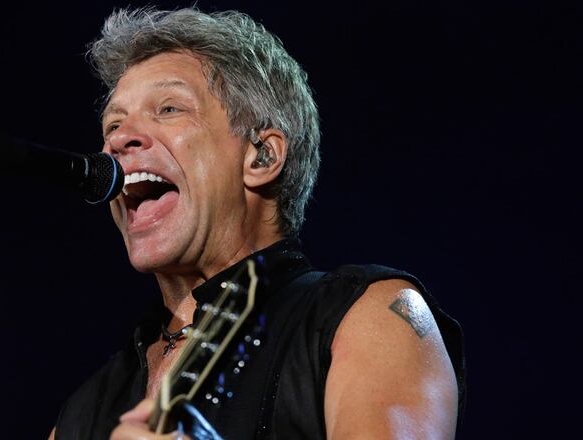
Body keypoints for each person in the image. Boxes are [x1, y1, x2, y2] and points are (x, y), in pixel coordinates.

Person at [51, 7, 465, 440]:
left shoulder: (367, 316)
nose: (118, 139)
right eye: (113, 124)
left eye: (169, 108)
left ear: (262, 157)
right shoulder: (85, 410)